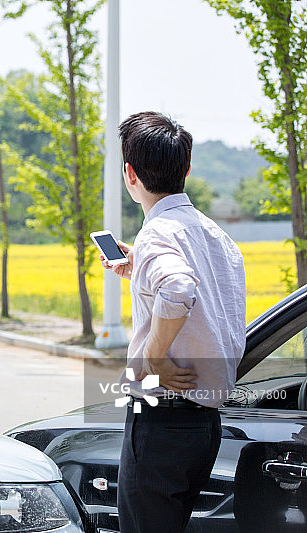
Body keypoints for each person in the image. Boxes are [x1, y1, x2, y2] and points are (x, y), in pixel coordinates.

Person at [102, 112, 246, 533]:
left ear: (130, 174)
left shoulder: (158, 233)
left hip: (162, 417)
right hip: (205, 425)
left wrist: (154, 356)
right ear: (186, 169)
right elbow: (200, 298)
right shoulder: (216, 235)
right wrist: (140, 268)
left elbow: (180, 288)